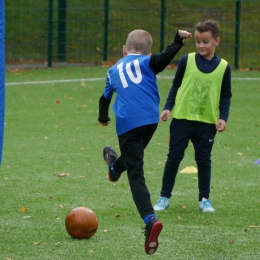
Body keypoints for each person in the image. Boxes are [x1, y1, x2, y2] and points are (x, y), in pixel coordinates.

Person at [98, 29, 192, 255]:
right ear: (147, 51)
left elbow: (105, 98)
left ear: (124, 49)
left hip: (129, 123)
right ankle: (113, 167)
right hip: (150, 120)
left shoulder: (113, 70)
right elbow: (164, 58)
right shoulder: (148, 62)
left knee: (136, 172)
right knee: (133, 157)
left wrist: (103, 118)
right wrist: (177, 41)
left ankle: (150, 220)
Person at [153, 19, 232, 213]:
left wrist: (223, 117)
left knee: (204, 160)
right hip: (182, 120)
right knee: (174, 158)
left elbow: (226, 95)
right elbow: (176, 85)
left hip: (206, 123)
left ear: (216, 41)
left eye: (205, 41)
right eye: (198, 41)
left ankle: (204, 199)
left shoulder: (224, 67)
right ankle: (164, 197)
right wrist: (168, 107)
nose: (201, 45)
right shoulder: (186, 60)